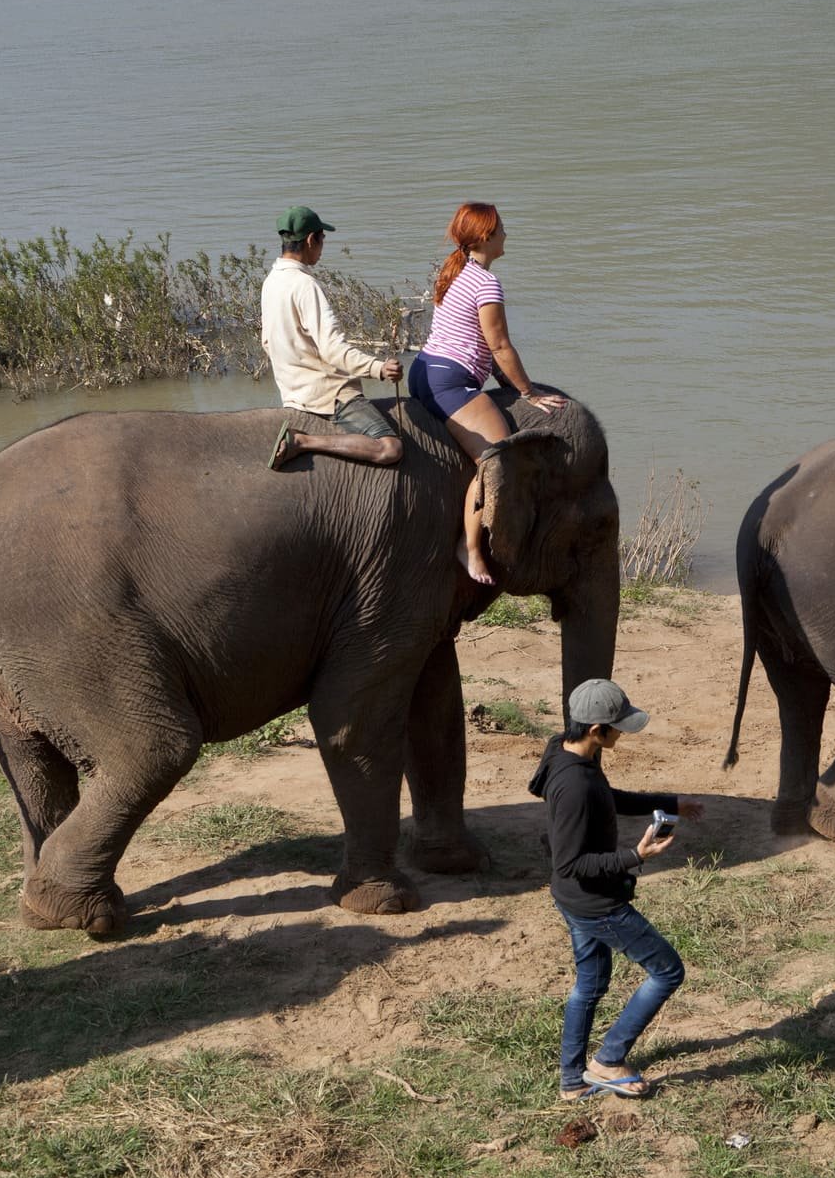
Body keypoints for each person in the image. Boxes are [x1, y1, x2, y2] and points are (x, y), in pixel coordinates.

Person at [529, 678, 704, 1102]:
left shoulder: (565, 750)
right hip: (596, 903)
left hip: (572, 899)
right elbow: (570, 863)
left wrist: (669, 802)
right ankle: (609, 1060)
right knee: (667, 971)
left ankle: (572, 1082)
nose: (623, 732)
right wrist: (636, 855)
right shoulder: (575, 786)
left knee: (589, 985)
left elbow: (604, 796)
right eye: (617, 726)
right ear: (595, 730)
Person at [409, 203, 567, 586]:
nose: (506, 235)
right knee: (497, 460)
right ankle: (470, 547)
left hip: (424, 370)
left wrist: (506, 383)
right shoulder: (486, 283)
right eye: (501, 230)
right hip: (451, 382)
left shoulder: (454, 272)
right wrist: (527, 391)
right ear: (485, 238)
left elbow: (478, 341)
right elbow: (498, 346)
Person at [261, 206, 406, 470]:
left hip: (292, 392)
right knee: (391, 448)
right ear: (310, 240)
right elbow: (333, 349)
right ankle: (304, 441)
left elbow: (267, 343)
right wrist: (379, 369)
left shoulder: (271, 281)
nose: (322, 246)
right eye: (322, 239)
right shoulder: (305, 286)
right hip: (328, 394)